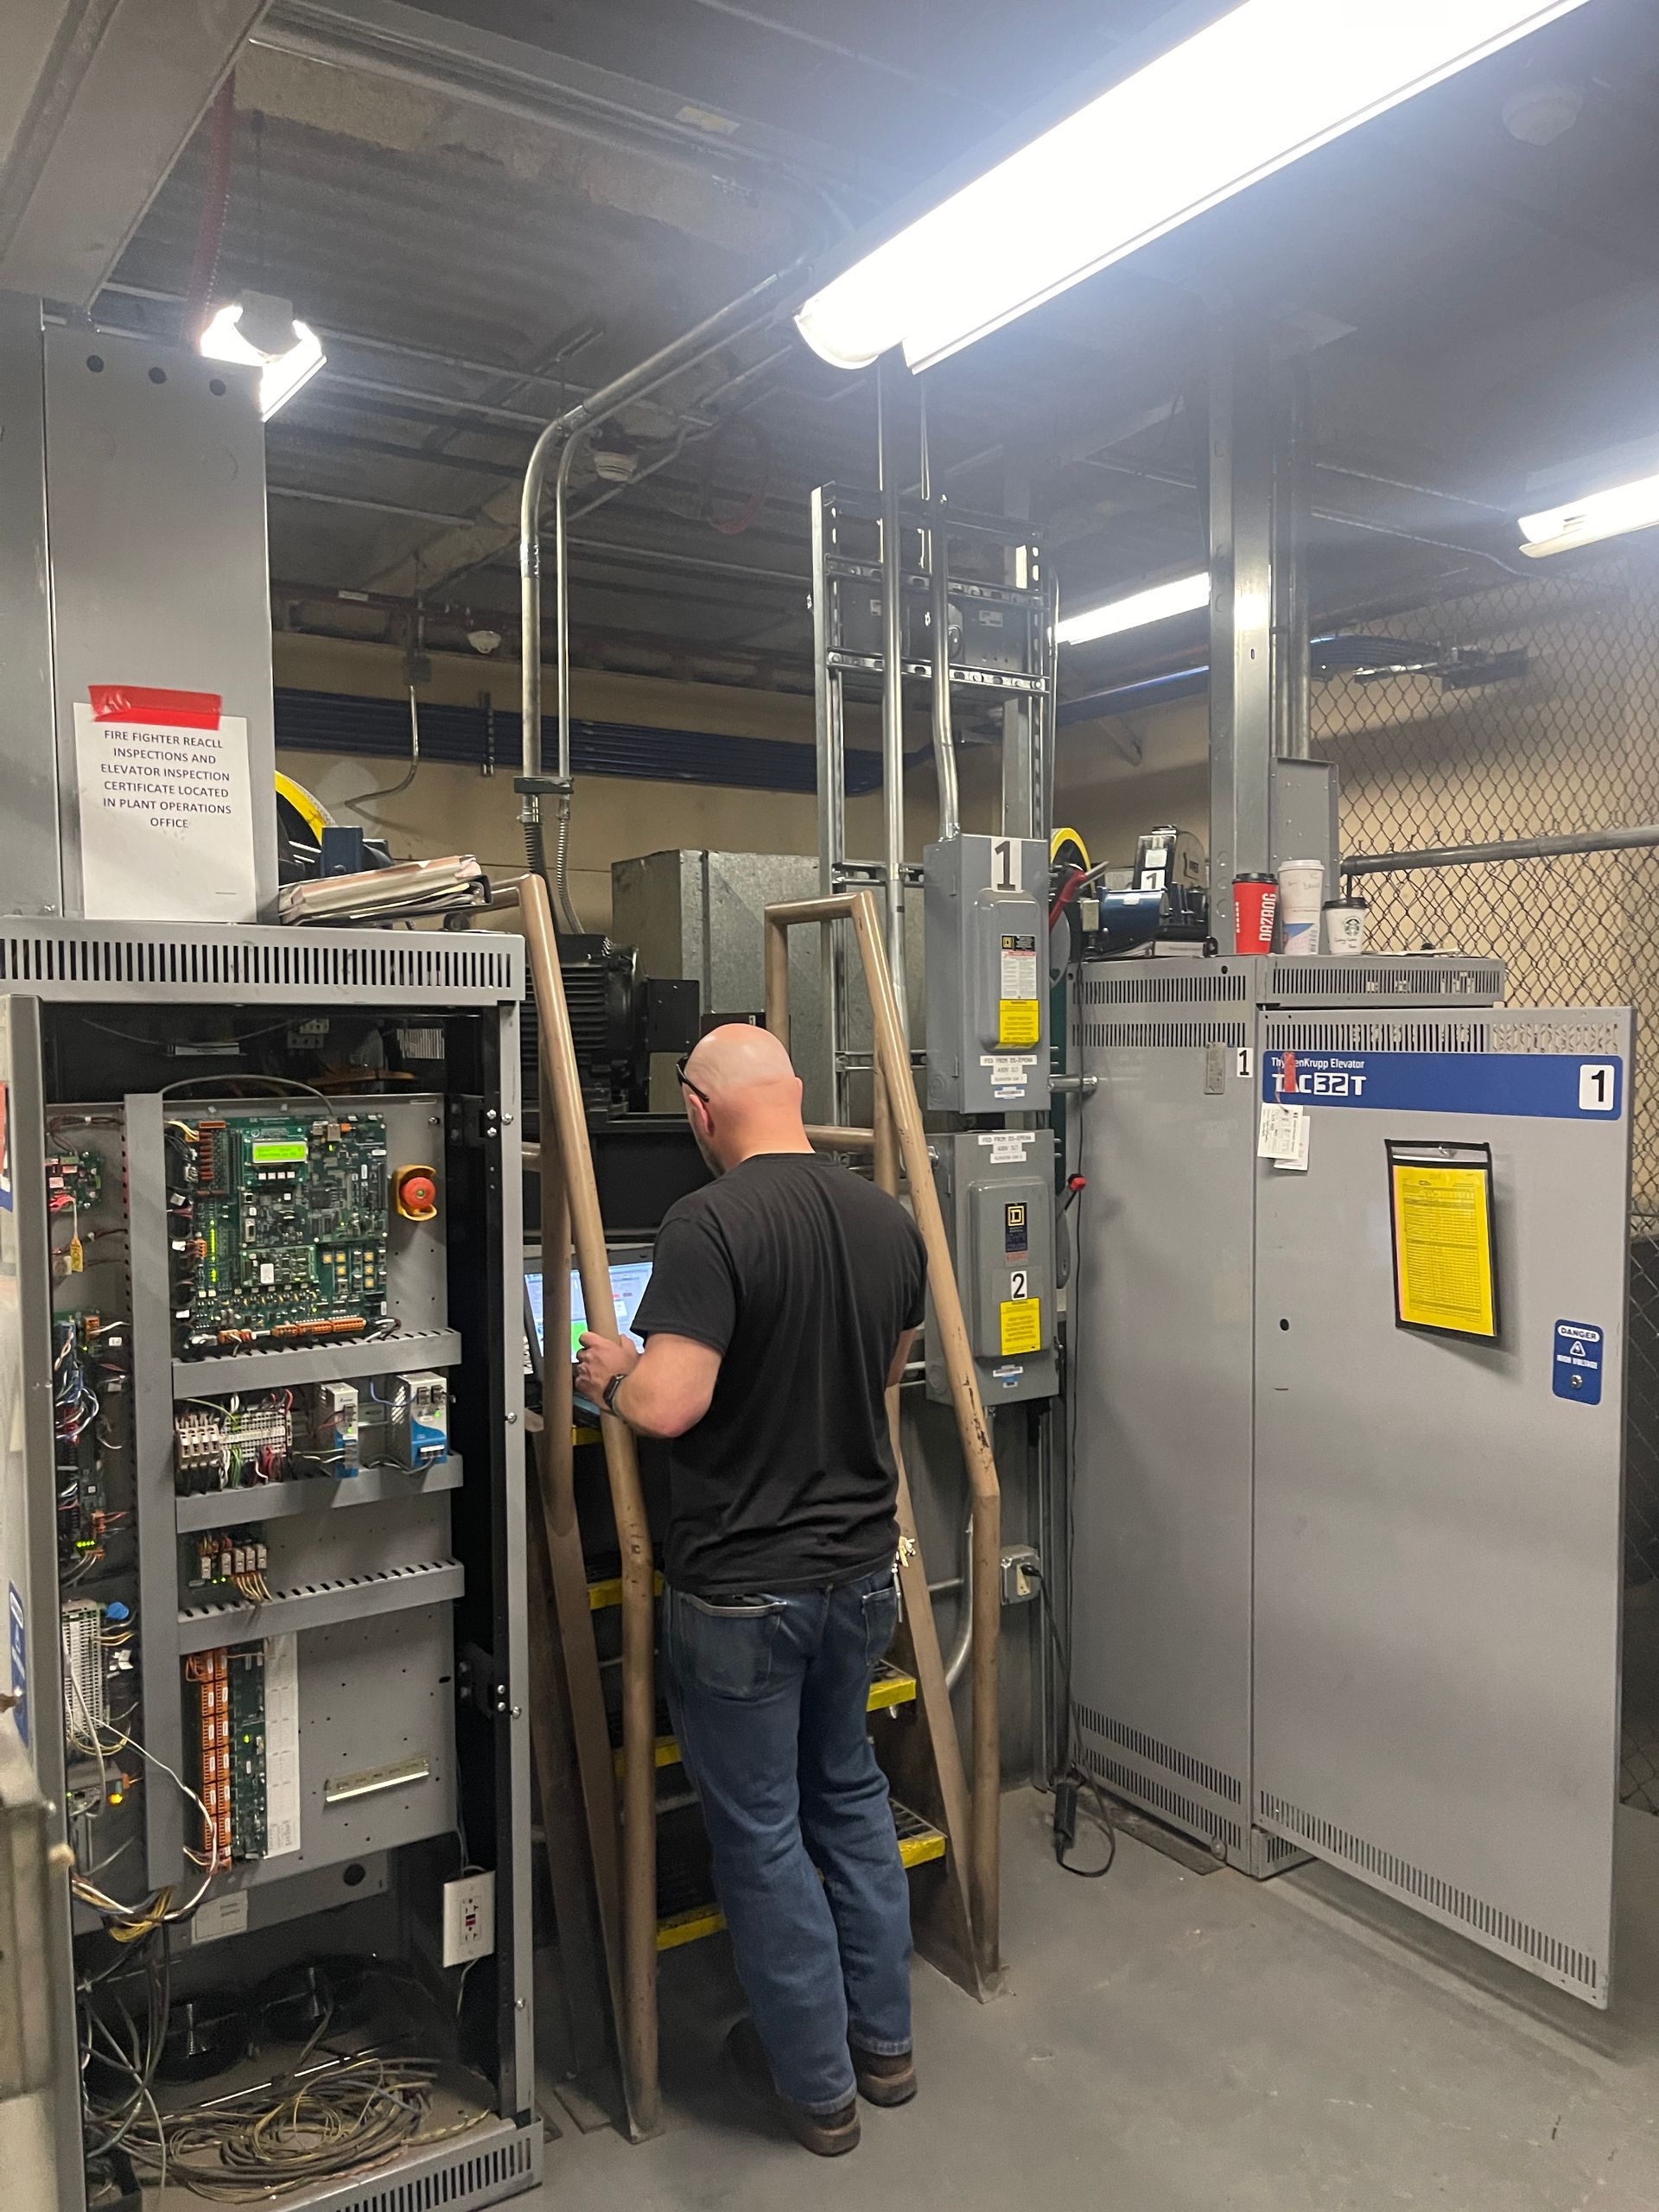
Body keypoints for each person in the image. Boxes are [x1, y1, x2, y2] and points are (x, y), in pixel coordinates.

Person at [575, 1023, 926, 2157]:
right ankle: (886, 2050)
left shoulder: (706, 1223)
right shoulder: (887, 1216)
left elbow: (671, 1406)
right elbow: (885, 1371)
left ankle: (814, 2089)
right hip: (862, 1572)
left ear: (697, 1112)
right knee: (850, 1796)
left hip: (742, 1591)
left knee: (765, 1832)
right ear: (796, 1095)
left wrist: (610, 1374)